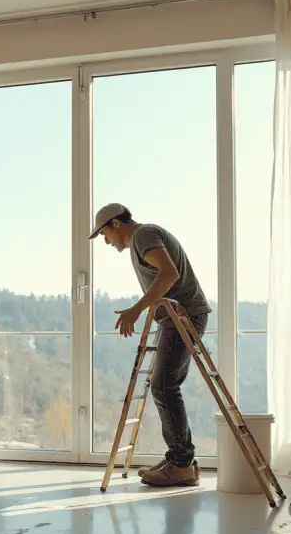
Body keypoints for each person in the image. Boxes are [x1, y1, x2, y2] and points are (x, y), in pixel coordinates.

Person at [90, 203, 211, 488]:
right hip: (174, 316)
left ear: (116, 224)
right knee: (164, 385)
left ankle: (181, 464)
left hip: (182, 315)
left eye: (104, 234)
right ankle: (181, 461)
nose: (106, 242)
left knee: (164, 386)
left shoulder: (143, 236)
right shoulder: (143, 238)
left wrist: (136, 310)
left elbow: (169, 274)